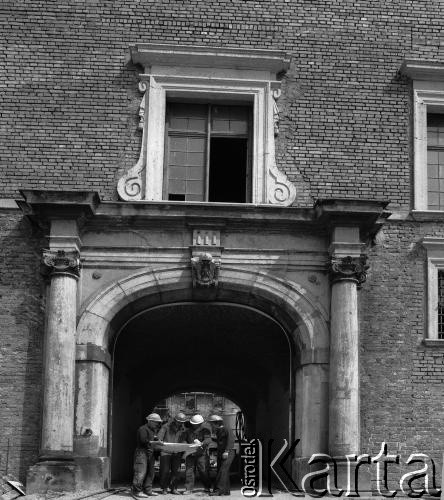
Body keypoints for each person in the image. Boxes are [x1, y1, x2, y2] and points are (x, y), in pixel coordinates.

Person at [131, 413, 163, 498]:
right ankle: (136, 491)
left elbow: (151, 439)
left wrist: (156, 439)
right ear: (150, 421)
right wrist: (156, 442)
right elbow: (143, 441)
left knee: (151, 472)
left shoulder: (152, 430)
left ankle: (148, 490)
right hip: (141, 453)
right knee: (140, 472)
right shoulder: (142, 429)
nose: (157, 424)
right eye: (156, 422)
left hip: (150, 452)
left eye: (158, 423)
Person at [180, 414, 212, 494]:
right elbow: (183, 440)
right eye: (193, 424)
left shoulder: (206, 431)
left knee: (203, 471)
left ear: (200, 423)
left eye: (196, 424)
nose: (194, 425)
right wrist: (187, 445)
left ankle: (207, 487)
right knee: (189, 471)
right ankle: (188, 489)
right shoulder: (187, 431)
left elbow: (208, 439)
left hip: (202, 454)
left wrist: (202, 443)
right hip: (190, 454)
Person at [157, 412, 188, 494]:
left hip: (177, 452)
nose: (180, 423)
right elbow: (160, 436)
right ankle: (164, 488)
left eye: (182, 422)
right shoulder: (166, 426)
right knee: (165, 470)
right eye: (179, 422)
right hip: (165, 452)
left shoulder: (183, 429)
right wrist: (159, 440)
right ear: (175, 420)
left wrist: (184, 444)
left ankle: (174, 488)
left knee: (176, 471)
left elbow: (184, 439)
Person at [208, 415, 235, 496]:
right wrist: (211, 438)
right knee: (223, 471)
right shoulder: (219, 430)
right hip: (221, 453)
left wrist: (226, 451)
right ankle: (226, 491)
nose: (211, 425)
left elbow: (231, 440)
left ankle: (218, 490)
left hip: (228, 452)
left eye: (212, 423)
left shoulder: (226, 429)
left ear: (216, 423)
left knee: (222, 471)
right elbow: (220, 440)